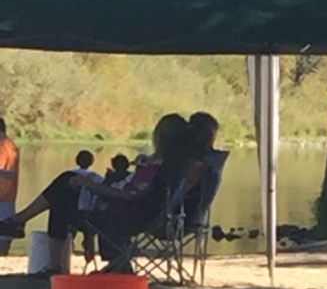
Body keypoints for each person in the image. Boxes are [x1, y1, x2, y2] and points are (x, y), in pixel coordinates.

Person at [0, 114, 189, 274]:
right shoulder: (173, 166)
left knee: (66, 185)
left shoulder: (157, 166)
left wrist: (90, 184)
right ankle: (22, 227)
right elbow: (137, 191)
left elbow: (130, 196)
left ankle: (29, 236)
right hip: (136, 211)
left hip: (122, 212)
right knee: (63, 192)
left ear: (161, 138)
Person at [0, 117, 20, 257]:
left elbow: (6, 174)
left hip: (3, 197)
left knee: (3, 234)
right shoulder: (9, 145)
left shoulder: (4, 147)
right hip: (6, 197)